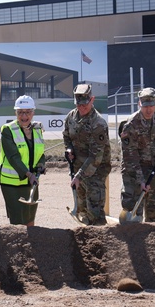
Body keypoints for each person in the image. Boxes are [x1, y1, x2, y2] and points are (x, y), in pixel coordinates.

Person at [117, 87, 155, 222]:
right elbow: (131, 156)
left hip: (154, 167)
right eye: (145, 106)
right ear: (139, 104)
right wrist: (141, 180)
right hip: (133, 170)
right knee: (133, 210)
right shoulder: (131, 124)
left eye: (151, 105)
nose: (148, 110)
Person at [63, 83, 111, 225]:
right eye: (78, 104)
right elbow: (66, 136)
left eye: (85, 104)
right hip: (78, 168)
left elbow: (96, 158)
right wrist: (69, 148)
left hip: (95, 171)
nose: (81, 108)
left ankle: (99, 241)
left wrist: (78, 176)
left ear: (92, 100)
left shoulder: (98, 123)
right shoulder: (71, 117)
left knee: (95, 212)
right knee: (82, 210)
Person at [0, 95, 46, 226]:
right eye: (20, 112)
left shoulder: (37, 129)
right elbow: (13, 157)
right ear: (15, 113)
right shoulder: (8, 130)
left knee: (30, 216)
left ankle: (31, 244)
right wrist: (28, 174)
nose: (24, 116)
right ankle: (18, 246)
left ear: (33, 112)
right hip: (11, 183)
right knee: (18, 220)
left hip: (31, 181)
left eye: (28, 112)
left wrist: (41, 165)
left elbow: (40, 152)